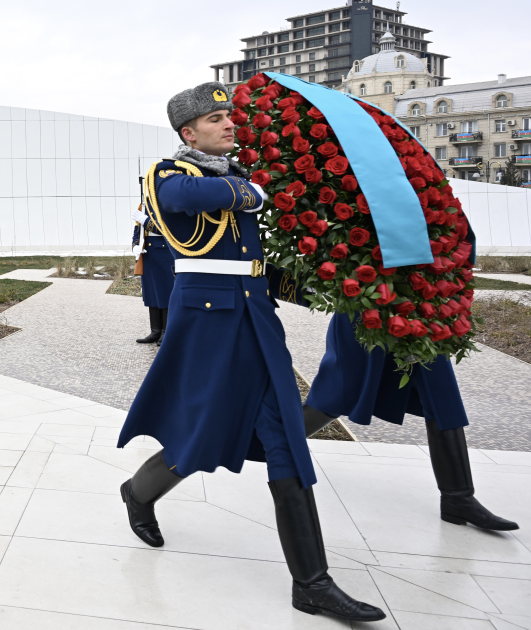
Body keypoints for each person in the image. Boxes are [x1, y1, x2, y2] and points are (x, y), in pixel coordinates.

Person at [116, 82, 386, 623]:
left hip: (257, 321)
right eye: (215, 119)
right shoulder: (172, 174)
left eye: (229, 117)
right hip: (207, 323)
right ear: (189, 132)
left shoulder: (233, 176)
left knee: (286, 438)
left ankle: (311, 583)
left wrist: (329, 288)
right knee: (200, 431)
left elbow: (250, 261)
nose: (229, 124)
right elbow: (187, 200)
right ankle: (138, 492)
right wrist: (256, 189)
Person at [301, 311, 519, 531]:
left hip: (422, 310)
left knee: (442, 393)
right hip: (366, 308)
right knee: (337, 394)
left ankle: (458, 498)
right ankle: (277, 445)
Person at [131, 205, 175, 346]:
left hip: (164, 252)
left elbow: (168, 228)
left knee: (165, 292)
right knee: (152, 292)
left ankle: (166, 332)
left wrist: (146, 221)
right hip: (148, 252)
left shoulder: (166, 203)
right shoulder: (144, 205)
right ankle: (155, 331)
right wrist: (135, 245)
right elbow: (137, 229)